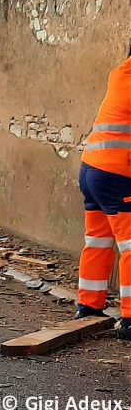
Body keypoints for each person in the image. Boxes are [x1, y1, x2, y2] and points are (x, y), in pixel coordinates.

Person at [76, 46, 131, 340]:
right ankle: (130, 320)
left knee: (98, 241)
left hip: (91, 169)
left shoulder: (119, 74)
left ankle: (88, 306)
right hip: (115, 175)